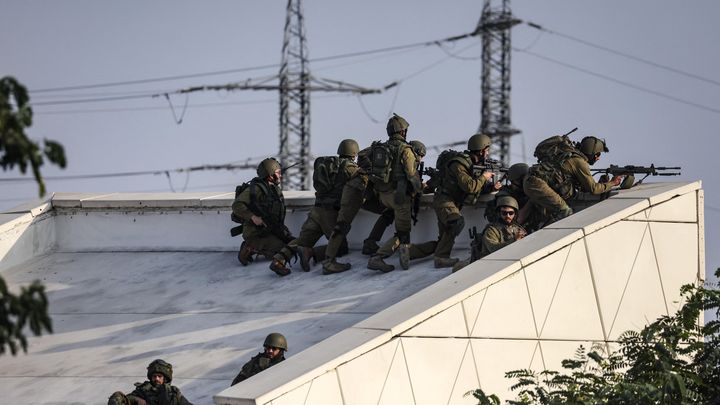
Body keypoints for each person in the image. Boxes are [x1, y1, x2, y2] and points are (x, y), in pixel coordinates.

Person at [270, 139, 360, 273]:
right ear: (354, 153)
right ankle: (311, 252)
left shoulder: (328, 164)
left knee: (303, 240)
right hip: (330, 214)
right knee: (341, 247)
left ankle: (279, 260)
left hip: (316, 209)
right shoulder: (350, 168)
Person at [431, 133, 501, 268]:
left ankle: (411, 251)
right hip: (444, 199)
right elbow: (470, 186)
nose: (487, 154)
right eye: (487, 150)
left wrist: (491, 186)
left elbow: (475, 186)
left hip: (453, 201)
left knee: (444, 237)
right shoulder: (459, 164)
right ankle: (440, 258)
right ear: (481, 151)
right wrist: (485, 177)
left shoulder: (474, 164)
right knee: (456, 222)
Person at [523, 135, 623, 226]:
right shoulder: (579, 162)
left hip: (532, 181)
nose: (598, 158)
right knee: (565, 211)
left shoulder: (567, 153)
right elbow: (593, 189)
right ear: (592, 153)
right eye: (597, 154)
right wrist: (613, 183)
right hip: (536, 184)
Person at [366, 113, 424, 272]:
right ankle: (378, 257)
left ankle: (371, 243)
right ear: (403, 132)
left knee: (392, 219)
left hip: (383, 195)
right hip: (399, 196)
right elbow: (411, 174)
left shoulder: (381, 147)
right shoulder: (405, 150)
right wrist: (420, 189)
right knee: (403, 232)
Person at [232, 158, 294, 276]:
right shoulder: (256, 189)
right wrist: (253, 217)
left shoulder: (274, 189)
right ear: (270, 175)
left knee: (293, 242)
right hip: (256, 233)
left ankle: (258, 247)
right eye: (278, 173)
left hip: (270, 230)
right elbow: (237, 205)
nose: (281, 175)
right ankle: (249, 247)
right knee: (283, 249)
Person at [454, 196, 527, 272]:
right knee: (457, 269)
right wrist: (514, 240)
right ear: (499, 213)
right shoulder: (491, 230)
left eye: (511, 213)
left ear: (515, 214)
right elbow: (494, 250)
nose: (507, 216)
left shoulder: (517, 229)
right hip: (488, 264)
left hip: (507, 263)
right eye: (504, 213)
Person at [108, 359, 193, 405]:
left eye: (159, 376)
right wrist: (136, 399)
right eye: (154, 376)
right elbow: (125, 399)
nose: (156, 379)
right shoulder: (143, 391)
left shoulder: (173, 394)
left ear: (165, 378)